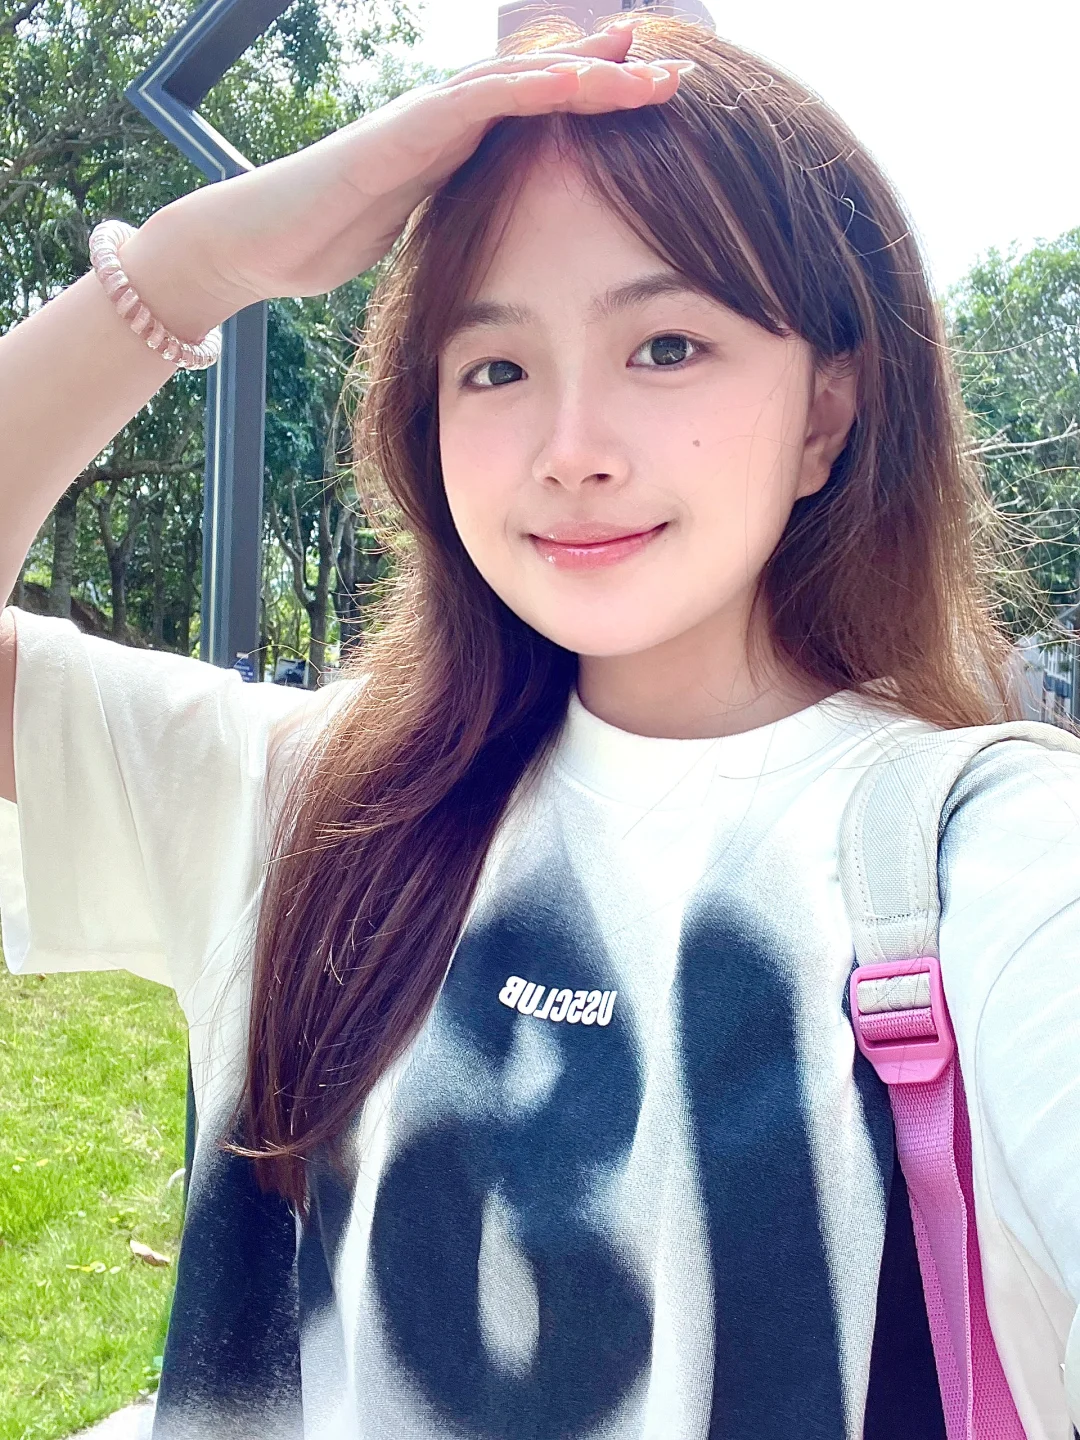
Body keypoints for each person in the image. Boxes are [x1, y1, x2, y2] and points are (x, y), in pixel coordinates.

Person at [0, 13, 1077, 1440]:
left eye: (668, 345)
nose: (571, 449)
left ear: (828, 411)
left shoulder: (988, 864)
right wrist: (198, 265)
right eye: (495, 367)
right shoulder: (308, 800)